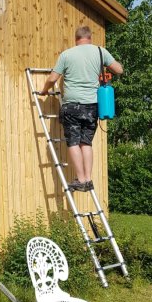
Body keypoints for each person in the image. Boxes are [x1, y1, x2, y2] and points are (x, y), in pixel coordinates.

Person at [38, 25, 123, 192]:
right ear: (89, 38)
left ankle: (81, 179)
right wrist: (106, 66)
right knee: (86, 143)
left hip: (72, 106)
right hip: (92, 106)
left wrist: (44, 90)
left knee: (73, 142)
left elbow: (53, 78)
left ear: (76, 39)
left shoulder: (67, 54)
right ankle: (88, 179)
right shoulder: (100, 51)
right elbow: (119, 69)